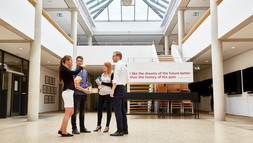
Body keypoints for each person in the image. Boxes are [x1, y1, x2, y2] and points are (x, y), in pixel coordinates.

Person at [58, 55, 85, 137]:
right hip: (67, 92)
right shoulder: (64, 68)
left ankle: (61, 129)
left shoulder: (65, 69)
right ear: (66, 60)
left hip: (69, 92)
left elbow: (71, 77)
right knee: (68, 112)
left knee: (72, 112)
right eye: (71, 60)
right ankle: (64, 132)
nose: (72, 62)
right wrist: (81, 67)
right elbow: (74, 72)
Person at [110, 51, 128, 136]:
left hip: (118, 88)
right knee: (122, 110)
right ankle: (125, 129)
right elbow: (127, 79)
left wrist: (112, 90)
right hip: (123, 88)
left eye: (113, 56)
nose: (112, 58)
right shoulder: (124, 65)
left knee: (118, 111)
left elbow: (116, 79)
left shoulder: (118, 65)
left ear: (118, 57)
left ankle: (119, 130)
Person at [71, 56, 91, 134]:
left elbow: (86, 82)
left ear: (83, 62)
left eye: (81, 61)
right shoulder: (74, 71)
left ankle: (82, 128)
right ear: (76, 62)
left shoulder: (85, 72)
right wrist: (84, 90)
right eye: (78, 61)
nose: (79, 62)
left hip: (84, 94)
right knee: (75, 112)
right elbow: (75, 85)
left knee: (82, 112)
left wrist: (89, 87)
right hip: (77, 94)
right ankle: (74, 128)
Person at [94, 62, 114, 133]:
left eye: (105, 66)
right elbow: (98, 83)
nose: (104, 67)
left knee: (109, 110)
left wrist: (102, 83)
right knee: (99, 110)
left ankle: (107, 126)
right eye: (103, 66)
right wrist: (98, 83)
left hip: (108, 94)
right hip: (101, 94)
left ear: (108, 67)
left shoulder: (111, 74)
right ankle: (98, 125)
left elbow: (112, 84)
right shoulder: (101, 75)